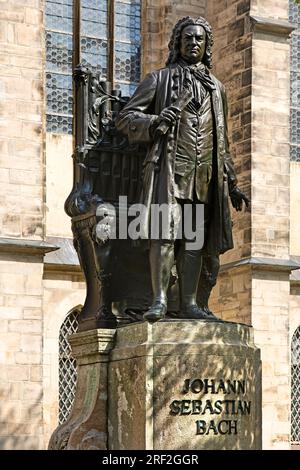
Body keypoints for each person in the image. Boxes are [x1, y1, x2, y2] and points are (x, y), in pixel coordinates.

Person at [116, 16, 249, 322]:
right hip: (169, 172)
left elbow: (223, 142)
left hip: (204, 175)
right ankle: (160, 300)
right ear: (178, 43)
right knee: (164, 235)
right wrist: (154, 122)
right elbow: (126, 118)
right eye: (187, 38)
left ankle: (189, 303)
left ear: (207, 46)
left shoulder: (218, 89)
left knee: (194, 240)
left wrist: (232, 183)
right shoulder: (159, 80)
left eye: (199, 39)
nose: (193, 43)